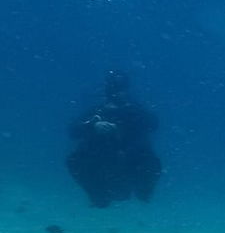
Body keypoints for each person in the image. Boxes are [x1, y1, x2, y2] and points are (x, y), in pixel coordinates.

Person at [67, 70, 161, 208]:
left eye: (121, 89)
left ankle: (143, 191)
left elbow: (153, 124)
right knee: (74, 160)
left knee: (152, 164)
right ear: (107, 91)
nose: (118, 93)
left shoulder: (135, 110)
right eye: (114, 89)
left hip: (132, 161)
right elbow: (73, 132)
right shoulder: (98, 112)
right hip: (103, 162)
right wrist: (93, 125)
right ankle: (98, 195)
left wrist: (133, 112)